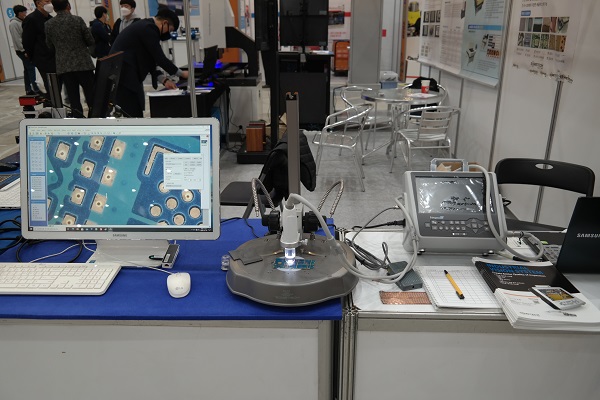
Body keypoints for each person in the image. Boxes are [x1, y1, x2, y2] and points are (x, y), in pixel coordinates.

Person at [109, 7, 188, 117]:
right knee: (133, 113)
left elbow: (151, 59)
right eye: (169, 30)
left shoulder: (146, 26)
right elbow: (160, 58)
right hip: (123, 76)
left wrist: (164, 80)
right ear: (165, 23)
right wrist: (181, 73)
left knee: (136, 109)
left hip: (125, 74)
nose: (168, 34)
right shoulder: (148, 29)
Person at [45, 0, 95, 117]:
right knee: (91, 94)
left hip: (64, 66)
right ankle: (94, 117)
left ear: (54, 9)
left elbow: (49, 45)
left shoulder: (48, 24)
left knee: (73, 97)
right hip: (83, 64)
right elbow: (90, 40)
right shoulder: (77, 20)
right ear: (68, 6)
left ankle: (78, 118)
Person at [22, 0, 57, 95]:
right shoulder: (31, 19)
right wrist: (33, 58)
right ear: (38, 3)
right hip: (43, 59)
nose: (50, 3)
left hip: (54, 58)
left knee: (56, 87)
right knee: (50, 88)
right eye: (47, 1)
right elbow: (27, 41)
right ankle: (50, 103)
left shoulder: (50, 18)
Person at [9, 5, 42, 95]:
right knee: (31, 69)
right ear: (19, 13)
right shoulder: (14, 24)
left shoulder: (22, 21)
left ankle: (28, 89)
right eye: (24, 12)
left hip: (25, 50)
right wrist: (24, 51)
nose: (25, 14)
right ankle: (36, 89)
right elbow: (17, 39)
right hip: (22, 51)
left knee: (27, 70)